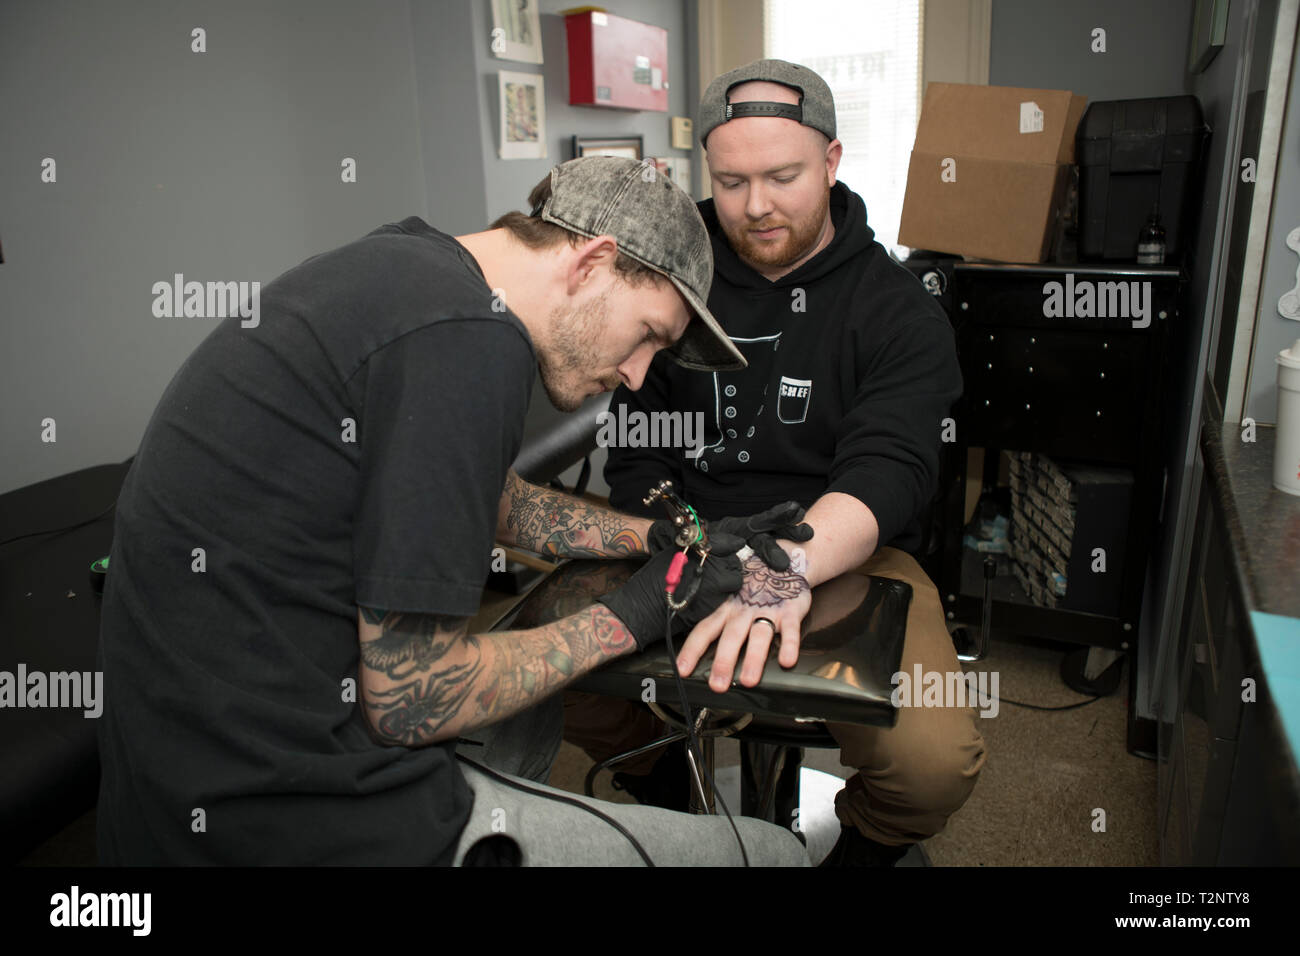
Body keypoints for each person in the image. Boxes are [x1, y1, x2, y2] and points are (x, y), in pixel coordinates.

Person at [95, 155, 810, 866]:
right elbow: (412, 704)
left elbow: (488, 497)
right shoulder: (468, 341)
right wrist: (636, 614)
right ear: (592, 262)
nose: (636, 374)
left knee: (532, 720)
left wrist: (654, 534)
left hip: (169, 776)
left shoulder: (411, 266)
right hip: (277, 810)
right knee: (772, 855)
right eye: (650, 334)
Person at [570, 60, 989, 866]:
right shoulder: (669, 279)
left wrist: (786, 568)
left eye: (782, 176)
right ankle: (670, 799)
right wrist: (676, 536)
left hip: (851, 550)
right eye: (730, 182)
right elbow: (637, 447)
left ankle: (856, 856)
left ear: (832, 163)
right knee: (558, 675)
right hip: (688, 534)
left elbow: (889, 470)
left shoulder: (897, 308)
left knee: (933, 767)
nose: (755, 205)